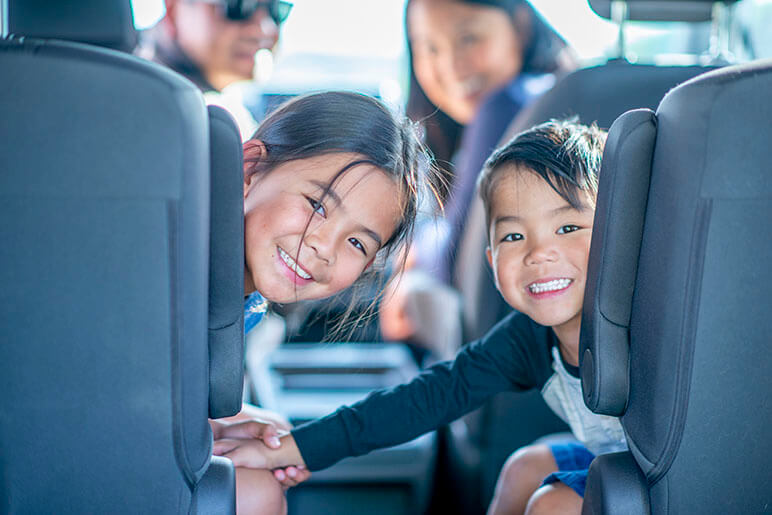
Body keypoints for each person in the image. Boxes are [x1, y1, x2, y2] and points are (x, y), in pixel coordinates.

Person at [211, 119, 624, 515]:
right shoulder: (529, 337)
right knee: (523, 470)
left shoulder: (646, 325)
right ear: (491, 261)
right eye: (513, 236)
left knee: (553, 503)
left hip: (670, 470)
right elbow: (430, 398)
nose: (538, 253)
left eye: (568, 227)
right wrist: (293, 447)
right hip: (613, 456)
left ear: (615, 235)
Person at [211, 90, 437, 514]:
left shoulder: (239, 300)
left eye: (356, 242)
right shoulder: (185, 278)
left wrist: (229, 422)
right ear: (250, 169)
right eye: (317, 204)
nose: (323, 247)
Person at [380, 0, 576, 356]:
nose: (451, 65)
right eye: (429, 47)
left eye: (469, 38)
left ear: (520, 25)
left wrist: (417, 252)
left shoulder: (505, 106)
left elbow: (454, 258)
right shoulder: (566, 91)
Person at [138, 0, 292, 138]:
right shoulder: (143, 103)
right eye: (237, 6)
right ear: (174, 12)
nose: (265, 29)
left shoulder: (224, 104)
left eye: (276, 9)